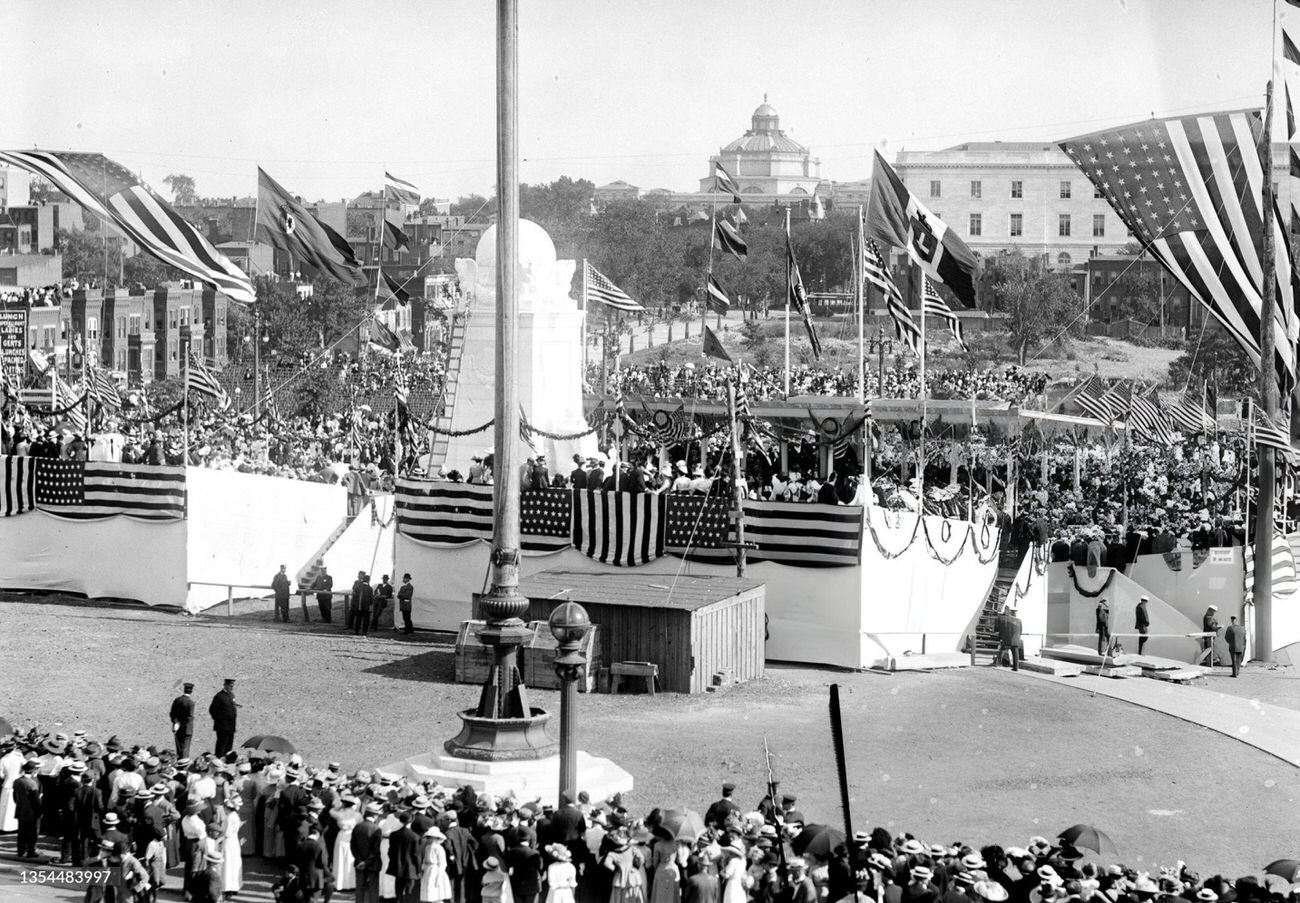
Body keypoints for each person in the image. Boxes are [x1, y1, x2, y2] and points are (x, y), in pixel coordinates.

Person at [353, 801, 385, 903]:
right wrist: (366, 862)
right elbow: (376, 849)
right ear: (375, 815)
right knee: (373, 888)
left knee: (360, 887)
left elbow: (353, 846)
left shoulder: (357, 827)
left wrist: (359, 860)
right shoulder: (376, 829)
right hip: (373, 863)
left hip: (359, 862)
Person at [14, 759, 42, 858]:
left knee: (21, 832)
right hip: (31, 812)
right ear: (34, 770)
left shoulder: (17, 781)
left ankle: (21, 851)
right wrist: (40, 811)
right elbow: (36, 800)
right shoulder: (32, 783)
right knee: (32, 833)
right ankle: (31, 851)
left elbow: (15, 796)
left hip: (20, 809)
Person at [209, 678, 239, 757]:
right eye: (230, 686)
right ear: (225, 685)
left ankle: (227, 761)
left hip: (231, 726)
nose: (231, 688)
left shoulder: (231, 695)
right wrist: (220, 720)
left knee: (229, 746)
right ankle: (219, 760)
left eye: (232, 686)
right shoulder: (219, 696)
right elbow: (212, 710)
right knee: (221, 746)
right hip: (222, 726)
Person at [170, 682, 196, 759]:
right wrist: (183, 723)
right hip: (187, 729)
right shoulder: (190, 703)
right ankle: (183, 765)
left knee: (179, 748)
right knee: (185, 749)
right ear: (191, 691)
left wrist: (176, 722)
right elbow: (190, 717)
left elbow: (172, 713)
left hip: (177, 728)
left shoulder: (177, 700)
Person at [995, 603, 1022, 671]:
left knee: (1001, 649)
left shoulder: (1001, 618)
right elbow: (1020, 632)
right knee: (1015, 653)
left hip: (1005, 639)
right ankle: (1016, 667)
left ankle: (998, 663)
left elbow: (996, 629)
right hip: (1015, 640)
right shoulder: (1019, 620)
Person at [354, 573, 375, 638]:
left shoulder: (358, 587)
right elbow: (371, 598)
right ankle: (364, 631)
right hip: (367, 606)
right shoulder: (370, 588)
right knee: (366, 620)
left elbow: (355, 595)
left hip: (359, 605)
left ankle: (356, 631)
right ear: (369, 580)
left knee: (358, 619)